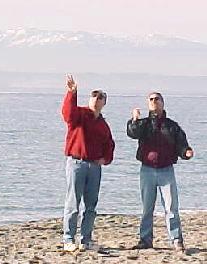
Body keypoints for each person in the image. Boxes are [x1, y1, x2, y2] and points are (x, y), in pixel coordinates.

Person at [127, 92, 193, 252]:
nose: (154, 102)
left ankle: (176, 240)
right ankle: (145, 240)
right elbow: (132, 133)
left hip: (166, 171)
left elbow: (181, 144)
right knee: (147, 208)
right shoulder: (144, 124)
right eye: (151, 99)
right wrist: (134, 119)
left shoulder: (171, 125)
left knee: (171, 208)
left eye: (157, 99)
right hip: (147, 170)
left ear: (162, 103)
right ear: (148, 103)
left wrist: (186, 152)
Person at [60, 74, 115, 251]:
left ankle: (85, 239)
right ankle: (69, 239)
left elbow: (109, 144)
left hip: (94, 167)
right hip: (76, 163)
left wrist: (105, 159)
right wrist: (71, 92)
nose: (96, 99)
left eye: (100, 97)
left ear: (104, 102)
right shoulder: (80, 115)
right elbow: (67, 113)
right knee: (72, 203)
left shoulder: (103, 125)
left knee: (90, 205)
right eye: (94, 96)